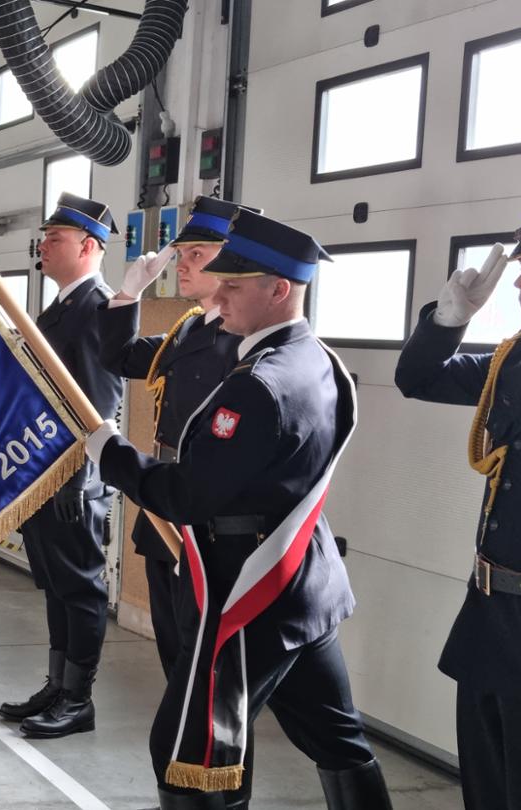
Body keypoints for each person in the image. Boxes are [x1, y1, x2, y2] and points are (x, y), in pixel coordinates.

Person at [86, 209, 390, 809]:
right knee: (335, 736)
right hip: (303, 577)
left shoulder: (260, 383)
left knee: (191, 752)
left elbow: (188, 495)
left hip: (248, 587)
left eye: (233, 284)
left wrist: (111, 453)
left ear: (279, 290)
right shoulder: (317, 360)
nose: (218, 294)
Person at [393, 181, 521, 810]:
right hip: (490, 625)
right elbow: (418, 378)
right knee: (487, 792)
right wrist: (450, 319)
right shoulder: (520, 356)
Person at [94, 196, 254, 674]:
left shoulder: (242, 342)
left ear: (231, 261)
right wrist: (129, 294)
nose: (182, 265)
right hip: (164, 502)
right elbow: (120, 358)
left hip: (202, 516)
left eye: (196, 255)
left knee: (202, 660)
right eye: (181, 254)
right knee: (173, 651)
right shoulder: (189, 329)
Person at [0, 191, 125, 740]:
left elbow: (98, 404)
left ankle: (79, 699)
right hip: (44, 473)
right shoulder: (60, 309)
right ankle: (58, 684)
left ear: (89, 247)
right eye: (45, 237)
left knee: (81, 589)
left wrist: (77, 477)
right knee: (55, 586)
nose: (43, 246)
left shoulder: (97, 309)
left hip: (74, 479)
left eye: (56, 238)